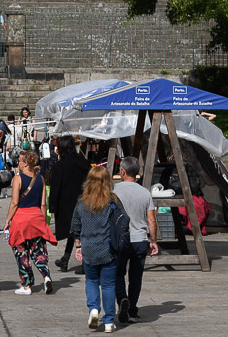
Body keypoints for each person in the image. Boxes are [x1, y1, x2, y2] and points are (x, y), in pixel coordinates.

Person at [71, 165, 129, 333]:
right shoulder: (113, 200)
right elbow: (124, 220)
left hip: (89, 248)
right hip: (108, 248)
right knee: (108, 285)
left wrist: (78, 245)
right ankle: (109, 321)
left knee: (91, 281)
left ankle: (94, 309)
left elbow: (75, 225)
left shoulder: (82, 202)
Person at [3, 149, 57, 295]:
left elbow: (14, 203)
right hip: (36, 219)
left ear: (26, 163)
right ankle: (46, 277)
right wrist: (44, 220)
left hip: (21, 220)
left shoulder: (18, 178)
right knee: (39, 251)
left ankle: (26, 285)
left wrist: (7, 220)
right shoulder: (40, 178)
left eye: (19, 161)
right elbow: (43, 204)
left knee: (21, 251)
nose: (18, 163)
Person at [114, 156, 158, 325]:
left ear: (122, 171)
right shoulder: (145, 192)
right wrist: (153, 240)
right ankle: (132, 310)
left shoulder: (114, 191)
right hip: (140, 239)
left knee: (118, 274)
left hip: (120, 239)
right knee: (136, 276)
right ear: (137, 173)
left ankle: (122, 299)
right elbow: (151, 220)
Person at [50, 134, 91, 272]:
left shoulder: (60, 165)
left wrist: (52, 206)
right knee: (77, 231)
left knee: (75, 231)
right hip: (84, 201)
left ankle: (85, 263)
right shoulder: (83, 162)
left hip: (66, 204)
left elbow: (55, 188)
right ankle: (65, 259)